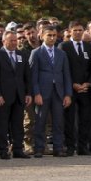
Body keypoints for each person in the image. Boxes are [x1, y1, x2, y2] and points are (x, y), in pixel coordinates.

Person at [29, 25, 73, 157]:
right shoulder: (36, 53)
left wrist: (68, 94)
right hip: (42, 92)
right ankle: (39, 148)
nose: (52, 38)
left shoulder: (61, 53)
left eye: (54, 35)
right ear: (42, 36)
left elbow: (66, 75)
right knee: (40, 121)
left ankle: (58, 148)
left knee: (58, 122)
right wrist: (36, 93)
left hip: (58, 92)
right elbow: (33, 76)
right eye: (49, 35)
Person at [0, 30, 31, 159]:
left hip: (19, 95)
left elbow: (27, 76)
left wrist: (28, 93)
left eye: (15, 40)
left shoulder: (22, 54)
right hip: (3, 96)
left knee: (17, 124)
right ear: (3, 41)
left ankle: (18, 149)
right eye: (11, 40)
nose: (14, 43)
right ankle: (2, 149)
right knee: (1, 124)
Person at [61, 21, 91, 155]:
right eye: (75, 30)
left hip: (86, 90)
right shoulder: (64, 46)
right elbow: (63, 69)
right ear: (70, 31)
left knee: (85, 119)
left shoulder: (89, 47)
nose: (78, 32)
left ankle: (83, 147)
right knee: (69, 119)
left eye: (80, 30)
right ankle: (70, 147)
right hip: (71, 90)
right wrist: (73, 84)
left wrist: (88, 83)